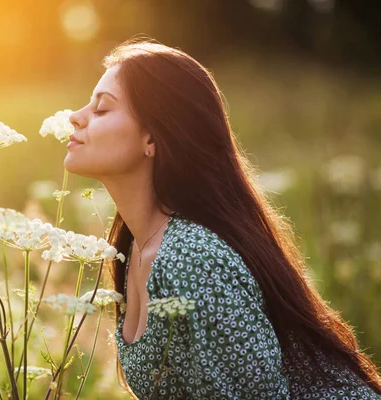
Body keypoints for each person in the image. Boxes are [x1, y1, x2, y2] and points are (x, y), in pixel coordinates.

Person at [65, 38, 381, 399]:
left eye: (102, 109)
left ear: (151, 136)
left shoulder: (190, 258)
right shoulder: (136, 247)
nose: (76, 116)